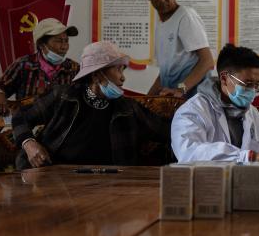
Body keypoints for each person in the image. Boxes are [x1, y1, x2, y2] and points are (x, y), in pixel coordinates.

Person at [12, 41, 169, 169]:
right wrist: (29, 144)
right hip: (56, 176)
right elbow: (21, 116)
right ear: (96, 75)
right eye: (117, 69)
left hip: (111, 185)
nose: (123, 78)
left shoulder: (128, 107)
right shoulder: (64, 96)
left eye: (123, 70)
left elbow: (167, 130)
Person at [171, 43, 259, 163]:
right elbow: (190, 153)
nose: (252, 90)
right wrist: (245, 157)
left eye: (256, 85)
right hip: (206, 175)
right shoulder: (192, 111)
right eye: (247, 84)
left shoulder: (253, 114)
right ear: (224, 78)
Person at [141, 0, 214, 98]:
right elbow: (165, 74)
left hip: (195, 100)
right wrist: (146, 99)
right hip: (174, 100)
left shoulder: (185, 16)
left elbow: (207, 61)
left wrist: (180, 89)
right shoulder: (161, 24)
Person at [0, 18, 79, 116]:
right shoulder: (24, 65)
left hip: (61, 124)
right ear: (41, 44)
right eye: (58, 41)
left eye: (66, 41)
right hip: (26, 123)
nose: (64, 47)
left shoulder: (74, 69)